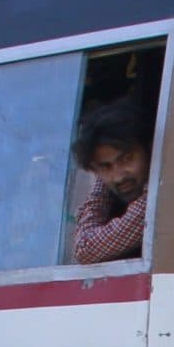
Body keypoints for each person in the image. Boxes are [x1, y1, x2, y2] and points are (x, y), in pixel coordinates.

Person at [70, 102, 152, 264]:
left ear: (149, 150)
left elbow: (85, 248)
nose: (118, 177)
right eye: (106, 166)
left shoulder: (159, 200)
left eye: (126, 159)